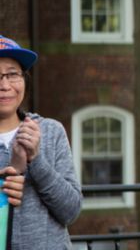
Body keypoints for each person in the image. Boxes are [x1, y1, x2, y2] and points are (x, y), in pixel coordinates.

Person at [0, 35, 82, 249]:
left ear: (24, 80)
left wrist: (36, 160)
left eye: (12, 74)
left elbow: (71, 211)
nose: (5, 85)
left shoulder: (51, 132)